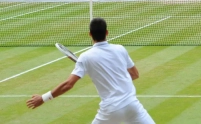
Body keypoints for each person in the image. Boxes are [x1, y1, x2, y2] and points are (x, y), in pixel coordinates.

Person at [26, 18, 155, 124]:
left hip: (111, 110)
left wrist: (43, 98)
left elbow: (68, 84)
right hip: (132, 106)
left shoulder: (86, 57)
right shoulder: (120, 49)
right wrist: (112, 78)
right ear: (107, 32)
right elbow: (134, 74)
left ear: (90, 34)